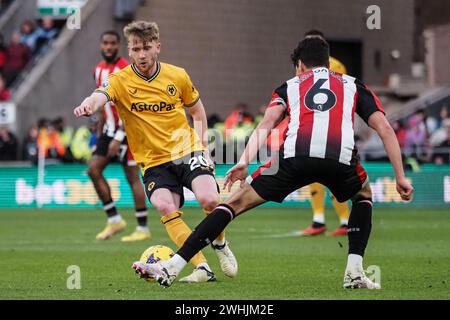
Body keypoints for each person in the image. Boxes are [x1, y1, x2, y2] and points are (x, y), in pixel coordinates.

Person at [133, 37, 414, 289]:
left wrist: (243, 162)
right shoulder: (354, 85)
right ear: (328, 62)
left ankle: (173, 266)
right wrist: (400, 177)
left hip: (294, 158)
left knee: (232, 205)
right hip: (339, 159)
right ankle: (354, 272)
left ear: (300, 65)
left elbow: (267, 123)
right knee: (363, 196)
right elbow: (385, 129)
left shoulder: (290, 86)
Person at [74, 21, 237, 283]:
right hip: (153, 161)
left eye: (147, 47)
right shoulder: (119, 80)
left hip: (187, 150)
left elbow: (197, 111)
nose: (141, 54)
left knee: (210, 201)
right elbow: (99, 95)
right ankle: (203, 268)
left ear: (157, 47)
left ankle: (220, 243)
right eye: (136, 48)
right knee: (164, 205)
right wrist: (88, 105)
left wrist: (203, 147)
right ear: (130, 51)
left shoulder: (177, 75)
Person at [87, 30, 151, 242]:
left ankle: (142, 228)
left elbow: (131, 105)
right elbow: (102, 100)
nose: (108, 47)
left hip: (128, 131)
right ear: (100, 45)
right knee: (93, 170)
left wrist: (119, 136)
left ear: (118, 45)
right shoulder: (97, 69)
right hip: (107, 131)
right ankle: (114, 220)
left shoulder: (126, 69)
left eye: (113, 43)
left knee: (132, 177)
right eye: (105, 43)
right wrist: (99, 129)